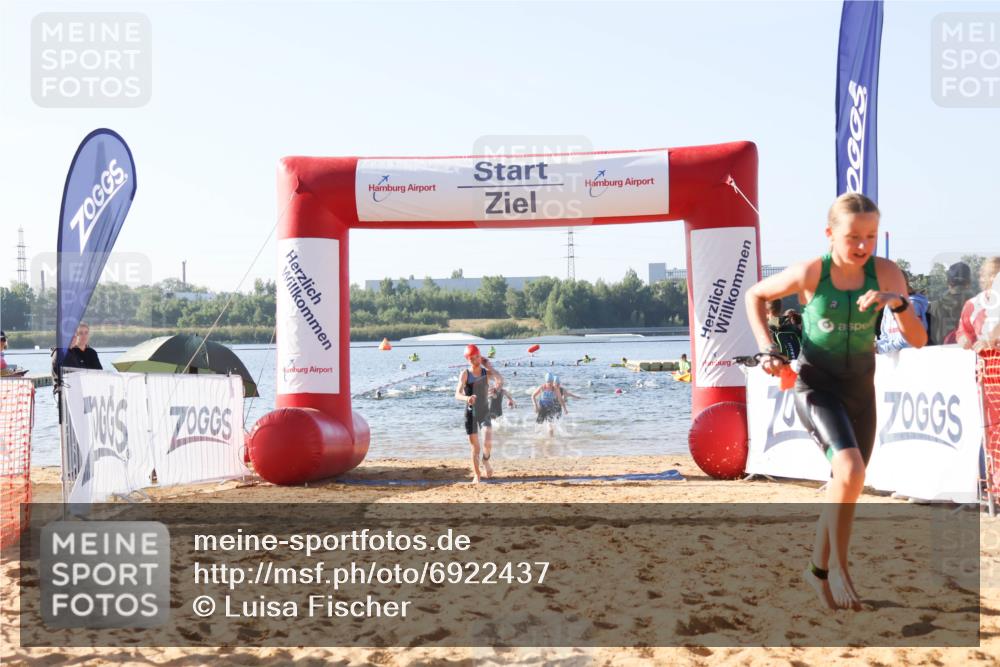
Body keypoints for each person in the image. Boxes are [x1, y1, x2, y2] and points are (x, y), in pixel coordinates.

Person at [745, 193, 927, 611]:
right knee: (849, 469)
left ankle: (816, 571)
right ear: (830, 234)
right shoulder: (811, 272)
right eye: (853, 237)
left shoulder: (886, 274)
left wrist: (896, 304)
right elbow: (755, 295)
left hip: (861, 390)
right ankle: (841, 570)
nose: (863, 246)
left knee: (848, 483)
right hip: (815, 385)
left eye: (870, 236)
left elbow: (917, 340)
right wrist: (766, 347)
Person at [454, 344, 495, 483]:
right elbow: (457, 394)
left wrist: (489, 365)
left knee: (488, 441)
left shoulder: (485, 372)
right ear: (468, 359)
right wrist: (467, 398)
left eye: (477, 357)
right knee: (475, 447)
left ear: (480, 356)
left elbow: (497, 377)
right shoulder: (465, 373)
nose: (475, 360)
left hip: (484, 411)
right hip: (471, 413)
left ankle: (486, 460)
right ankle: (477, 475)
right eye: (472, 358)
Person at [956, 257, 1000, 352]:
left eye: (995, 274)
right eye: (983, 275)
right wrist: (963, 339)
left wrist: (989, 341)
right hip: (987, 365)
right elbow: (963, 330)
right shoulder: (972, 304)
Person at [876, 278, 929, 354]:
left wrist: (881, 348)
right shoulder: (888, 306)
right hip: (892, 361)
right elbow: (884, 336)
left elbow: (911, 340)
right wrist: (874, 346)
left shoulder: (914, 305)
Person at [929, 262, 976, 345]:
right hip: (974, 355)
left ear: (948, 283)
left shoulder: (933, 307)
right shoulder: (981, 306)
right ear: (969, 283)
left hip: (940, 356)